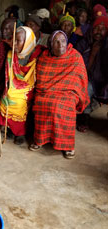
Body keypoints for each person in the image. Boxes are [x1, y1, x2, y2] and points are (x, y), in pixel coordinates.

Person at [30, 31, 89, 159]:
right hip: (47, 91)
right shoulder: (44, 58)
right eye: (56, 42)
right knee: (42, 103)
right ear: (50, 46)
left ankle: (68, 145)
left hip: (68, 92)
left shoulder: (75, 56)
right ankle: (39, 139)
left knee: (62, 106)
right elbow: (40, 81)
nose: (60, 45)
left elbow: (80, 79)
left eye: (63, 41)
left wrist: (73, 92)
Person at [0, 26, 43, 145]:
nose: (14, 43)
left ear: (27, 41)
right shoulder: (11, 54)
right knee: (6, 96)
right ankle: (9, 128)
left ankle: (20, 132)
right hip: (14, 85)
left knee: (19, 102)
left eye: (18, 40)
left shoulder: (38, 54)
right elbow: (9, 75)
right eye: (13, 40)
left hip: (29, 86)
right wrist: (8, 87)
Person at [75, 15, 108, 131]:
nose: (99, 31)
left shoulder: (106, 45)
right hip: (86, 78)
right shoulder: (84, 43)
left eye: (103, 28)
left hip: (103, 80)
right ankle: (84, 116)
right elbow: (76, 64)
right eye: (96, 28)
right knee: (87, 88)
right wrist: (93, 53)